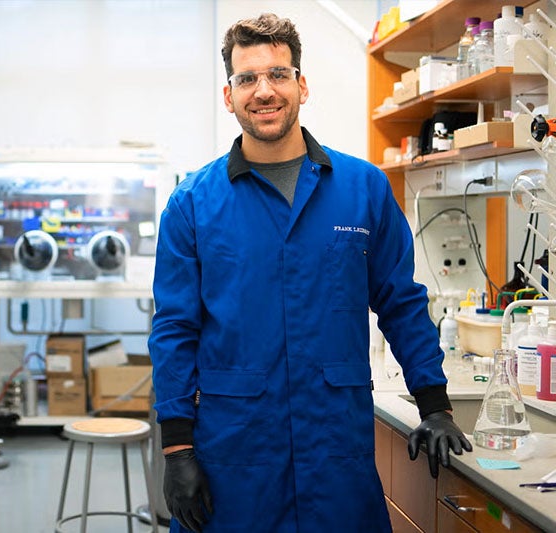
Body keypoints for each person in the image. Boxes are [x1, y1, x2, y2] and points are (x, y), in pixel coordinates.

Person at [147, 13, 472, 533]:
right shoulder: (193, 204)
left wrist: (434, 404)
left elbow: (400, 302)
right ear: (228, 96)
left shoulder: (362, 189)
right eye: (246, 78)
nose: (263, 91)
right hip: (234, 452)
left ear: (301, 85)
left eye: (277, 74)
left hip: (335, 447)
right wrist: (177, 448)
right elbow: (174, 329)